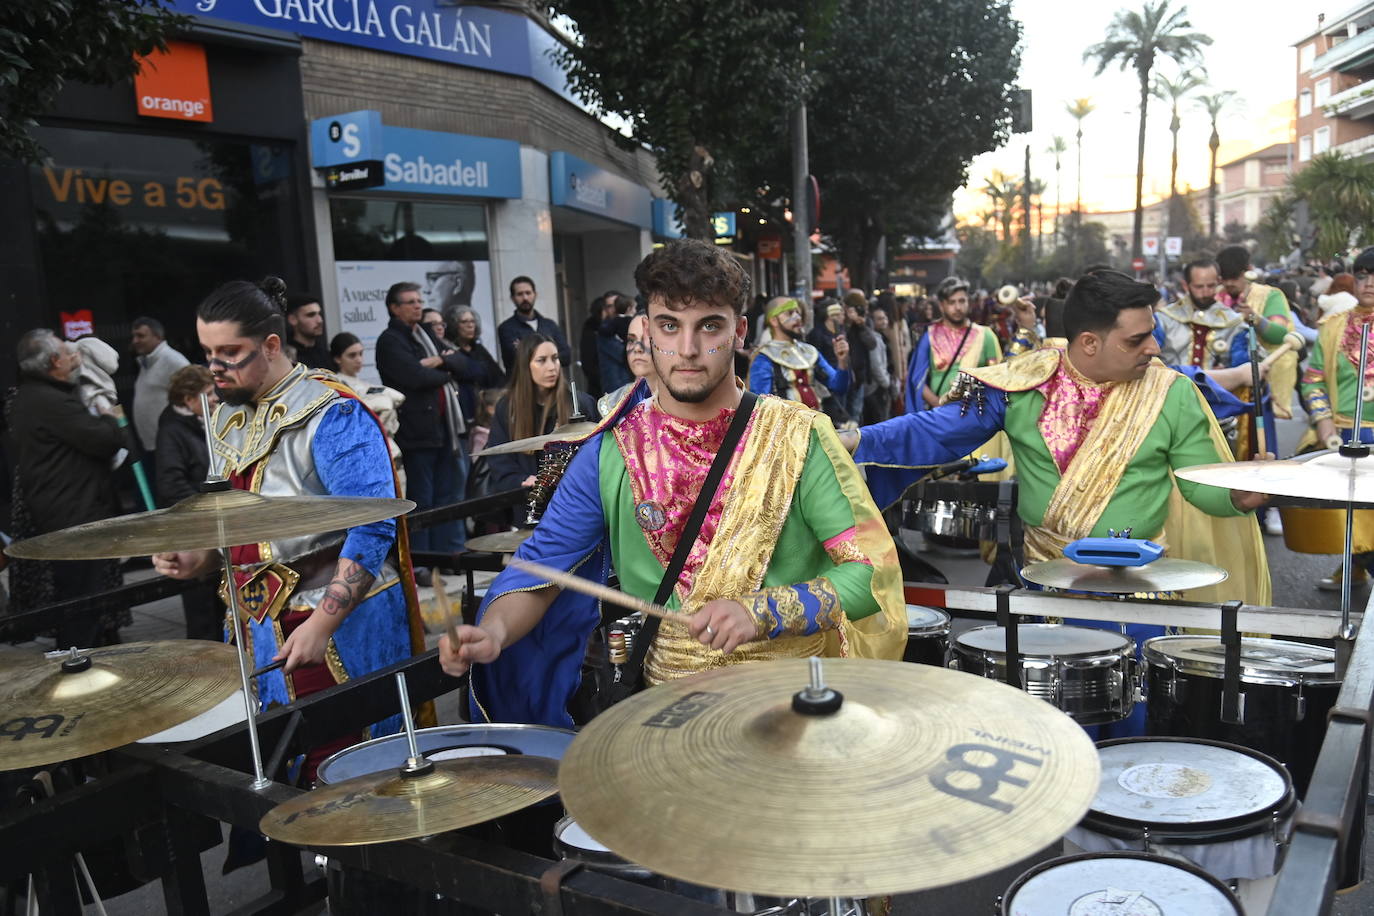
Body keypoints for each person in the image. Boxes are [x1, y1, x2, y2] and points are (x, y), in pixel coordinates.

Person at [438, 238, 906, 727]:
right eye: (669, 326)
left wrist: (764, 611)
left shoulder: (799, 436)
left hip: (794, 707)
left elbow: (869, 573)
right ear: (646, 331)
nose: (687, 349)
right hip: (671, 717)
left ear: (740, 331)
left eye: (709, 326)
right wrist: (493, 633)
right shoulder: (609, 451)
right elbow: (541, 568)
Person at [847, 269, 1271, 610]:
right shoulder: (1021, 385)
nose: (1155, 348)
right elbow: (933, 431)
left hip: (1145, 595)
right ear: (1089, 342)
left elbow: (1198, 483)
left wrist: (1235, 497)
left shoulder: (1172, 393)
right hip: (1045, 589)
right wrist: (853, 439)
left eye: (1153, 333)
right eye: (1137, 339)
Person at [151, 277, 422, 776]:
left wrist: (323, 623)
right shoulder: (228, 418)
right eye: (207, 352)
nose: (215, 367)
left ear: (271, 345)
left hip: (337, 623)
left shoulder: (333, 413)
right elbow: (236, 522)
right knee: (284, 768)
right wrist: (203, 556)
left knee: (351, 770)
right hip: (259, 624)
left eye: (230, 352)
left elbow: (374, 526)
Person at [8, 329, 128, 648]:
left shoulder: (35, 395)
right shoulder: (50, 401)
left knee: (83, 593)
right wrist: (109, 414)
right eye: (68, 353)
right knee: (80, 598)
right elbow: (107, 439)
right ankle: (78, 659)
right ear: (53, 361)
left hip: (66, 507)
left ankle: (90, 647)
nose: (76, 358)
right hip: (73, 514)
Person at [376, 281, 468, 567]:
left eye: (419, 300)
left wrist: (438, 363)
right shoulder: (390, 340)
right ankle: (423, 562)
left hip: (443, 430)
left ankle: (446, 557)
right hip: (416, 434)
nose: (418, 305)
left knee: (446, 497)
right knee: (421, 500)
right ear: (394, 308)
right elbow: (414, 376)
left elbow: (462, 363)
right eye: (410, 302)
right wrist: (444, 370)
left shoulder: (425, 334)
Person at [1298, 248, 1374, 591]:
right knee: (1350, 508)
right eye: (1362, 275)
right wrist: (1323, 420)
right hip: (1343, 432)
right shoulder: (1332, 327)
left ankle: (1359, 564)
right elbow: (1312, 377)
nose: (1368, 283)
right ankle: (1356, 564)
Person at [154, 364, 224, 641]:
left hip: (211, 523)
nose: (215, 399)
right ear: (188, 400)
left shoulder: (203, 423)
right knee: (203, 610)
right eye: (208, 395)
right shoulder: (172, 430)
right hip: (193, 528)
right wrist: (207, 509)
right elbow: (171, 485)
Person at [485, 334, 599, 496]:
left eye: (555, 358)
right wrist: (521, 479)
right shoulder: (507, 408)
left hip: (574, 502)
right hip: (528, 503)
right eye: (541, 360)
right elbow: (499, 460)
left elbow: (599, 455)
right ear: (526, 366)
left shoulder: (580, 403)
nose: (552, 367)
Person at [1218, 245, 1297, 421]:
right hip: (1222, 385)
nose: (1229, 283)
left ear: (1247, 272)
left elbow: (1279, 335)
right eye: (1225, 278)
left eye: (1235, 277)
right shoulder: (1214, 296)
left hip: (1259, 387)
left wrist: (1256, 319)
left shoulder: (1270, 295)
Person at [905, 277, 1003, 412]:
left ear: (968, 302)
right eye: (952, 302)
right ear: (941, 305)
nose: (958, 307)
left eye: (962, 301)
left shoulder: (985, 335)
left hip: (976, 418)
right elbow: (916, 379)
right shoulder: (930, 336)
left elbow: (998, 379)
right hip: (940, 418)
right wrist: (938, 405)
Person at [331, 332, 407, 493]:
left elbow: (399, 397)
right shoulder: (335, 386)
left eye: (360, 354)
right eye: (352, 355)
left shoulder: (364, 384)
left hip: (390, 451)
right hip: (366, 456)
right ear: (338, 358)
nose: (358, 359)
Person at [747, 296, 851, 412]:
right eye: (790, 313)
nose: (798, 318)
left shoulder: (809, 352)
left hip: (817, 424)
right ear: (774, 321)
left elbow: (839, 387)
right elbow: (761, 407)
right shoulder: (764, 357)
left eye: (798, 313)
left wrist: (842, 362)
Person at [1155, 260, 1244, 369]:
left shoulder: (1234, 322)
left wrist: (1228, 371)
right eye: (1199, 287)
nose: (1206, 292)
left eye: (1211, 286)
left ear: (1219, 282)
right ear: (1185, 285)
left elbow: (1242, 365)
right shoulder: (1164, 319)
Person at [131, 316, 189, 480]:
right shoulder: (146, 362)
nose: (135, 341)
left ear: (157, 336)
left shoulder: (172, 360)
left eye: (141, 336)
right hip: (152, 444)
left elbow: (194, 396)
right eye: (134, 336)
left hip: (170, 445)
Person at [444, 306, 505, 434]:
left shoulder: (479, 349)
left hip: (485, 415)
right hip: (462, 414)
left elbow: (497, 377)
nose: (470, 325)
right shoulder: (449, 350)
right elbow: (469, 371)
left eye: (472, 321)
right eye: (464, 322)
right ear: (454, 325)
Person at [497, 276, 571, 371]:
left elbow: (566, 356)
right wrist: (551, 354)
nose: (525, 298)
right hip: (523, 384)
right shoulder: (506, 328)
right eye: (520, 294)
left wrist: (527, 350)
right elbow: (516, 360)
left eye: (528, 293)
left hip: (550, 383)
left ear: (535, 294)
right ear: (512, 298)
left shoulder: (549, 325)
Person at [598, 313, 659, 416]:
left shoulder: (684, 402)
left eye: (647, 339)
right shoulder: (612, 403)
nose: (637, 348)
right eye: (631, 340)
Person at [579, 295, 613, 398]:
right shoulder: (591, 331)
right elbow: (589, 365)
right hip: (600, 388)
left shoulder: (611, 326)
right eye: (608, 308)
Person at [286, 294, 332, 369]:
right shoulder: (286, 357)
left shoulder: (326, 355)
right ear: (293, 320)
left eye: (319, 314)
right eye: (311, 315)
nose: (320, 320)